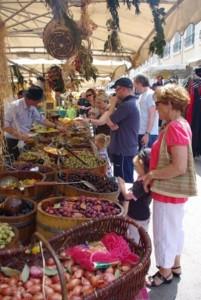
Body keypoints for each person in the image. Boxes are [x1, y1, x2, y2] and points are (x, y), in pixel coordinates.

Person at [143, 84, 197, 287]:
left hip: (168, 190)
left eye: (158, 104)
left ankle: (163, 272)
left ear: (170, 104)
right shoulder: (181, 123)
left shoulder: (174, 127)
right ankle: (174, 265)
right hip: (174, 192)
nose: (156, 108)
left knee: (164, 231)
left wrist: (152, 174)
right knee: (175, 229)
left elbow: (179, 166)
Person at [4, 85, 64, 160]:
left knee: (24, 162)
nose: (38, 103)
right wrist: (20, 135)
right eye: (38, 101)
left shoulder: (32, 107)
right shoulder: (14, 106)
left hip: (24, 140)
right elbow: (5, 126)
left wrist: (56, 127)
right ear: (30, 99)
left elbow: (42, 119)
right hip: (12, 141)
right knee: (13, 165)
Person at [107, 78, 140, 182]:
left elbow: (110, 121)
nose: (116, 93)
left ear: (125, 89)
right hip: (126, 148)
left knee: (123, 181)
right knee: (124, 178)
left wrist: (112, 104)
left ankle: (126, 199)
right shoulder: (131, 103)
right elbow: (113, 124)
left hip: (123, 150)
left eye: (117, 89)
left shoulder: (127, 105)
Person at [118, 148, 151, 243]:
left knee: (135, 240)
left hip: (137, 217)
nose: (135, 169)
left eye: (136, 167)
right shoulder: (148, 178)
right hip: (143, 215)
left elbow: (128, 196)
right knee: (141, 236)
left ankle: (138, 255)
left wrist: (122, 185)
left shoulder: (142, 182)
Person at [134, 74, 159, 150]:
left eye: (135, 85)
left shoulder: (150, 94)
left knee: (146, 159)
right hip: (143, 132)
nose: (135, 87)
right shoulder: (142, 95)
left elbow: (152, 115)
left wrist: (147, 133)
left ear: (140, 83)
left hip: (149, 133)